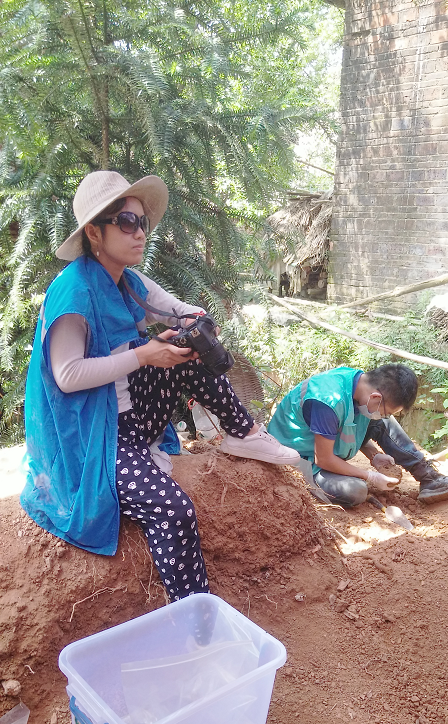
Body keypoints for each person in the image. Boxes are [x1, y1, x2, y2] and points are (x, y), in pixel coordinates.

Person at [21, 170, 299, 601]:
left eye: (142, 222)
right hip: (91, 437)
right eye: (126, 222)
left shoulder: (127, 280)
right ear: (94, 232)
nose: (140, 233)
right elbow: (67, 375)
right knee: (173, 512)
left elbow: (173, 309)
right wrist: (144, 354)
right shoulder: (72, 294)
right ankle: (191, 616)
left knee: (183, 348)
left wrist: (194, 323)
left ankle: (241, 433)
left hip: (126, 416)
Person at [267, 363, 448, 508]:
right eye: (387, 410)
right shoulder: (326, 400)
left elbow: (349, 424)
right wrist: (369, 476)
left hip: (324, 447)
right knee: (355, 491)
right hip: (300, 462)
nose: (385, 416)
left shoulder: (360, 384)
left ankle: (429, 479)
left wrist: (373, 455)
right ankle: (323, 488)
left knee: (383, 422)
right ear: (376, 397)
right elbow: (323, 458)